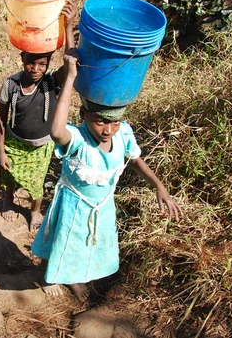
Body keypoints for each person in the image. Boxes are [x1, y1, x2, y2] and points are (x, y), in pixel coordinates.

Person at [31, 49, 183, 300]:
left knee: (90, 244)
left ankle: (77, 277)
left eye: (114, 121)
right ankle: (51, 276)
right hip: (75, 205)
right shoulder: (78, 138)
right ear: (83, 116)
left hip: (102, 206)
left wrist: (159, 186)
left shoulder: (123, 134)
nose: (108, 129)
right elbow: (57, 131)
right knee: (66, 240)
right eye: (100, 121)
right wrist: (69, 78)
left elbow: (135, 161)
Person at [0, 1, 76, 232]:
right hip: (13, 141)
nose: (36, 68)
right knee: (8, 174)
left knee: (36, 184)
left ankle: (34, 211)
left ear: (48, 63)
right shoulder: (10, 85)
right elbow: (1, 119)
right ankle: (8, 199)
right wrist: (1, 150)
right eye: (31, 62)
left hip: (41, 147)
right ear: (22, 58)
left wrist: (69, 26)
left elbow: (70, 63)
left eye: (43, 64)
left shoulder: (51, 82)